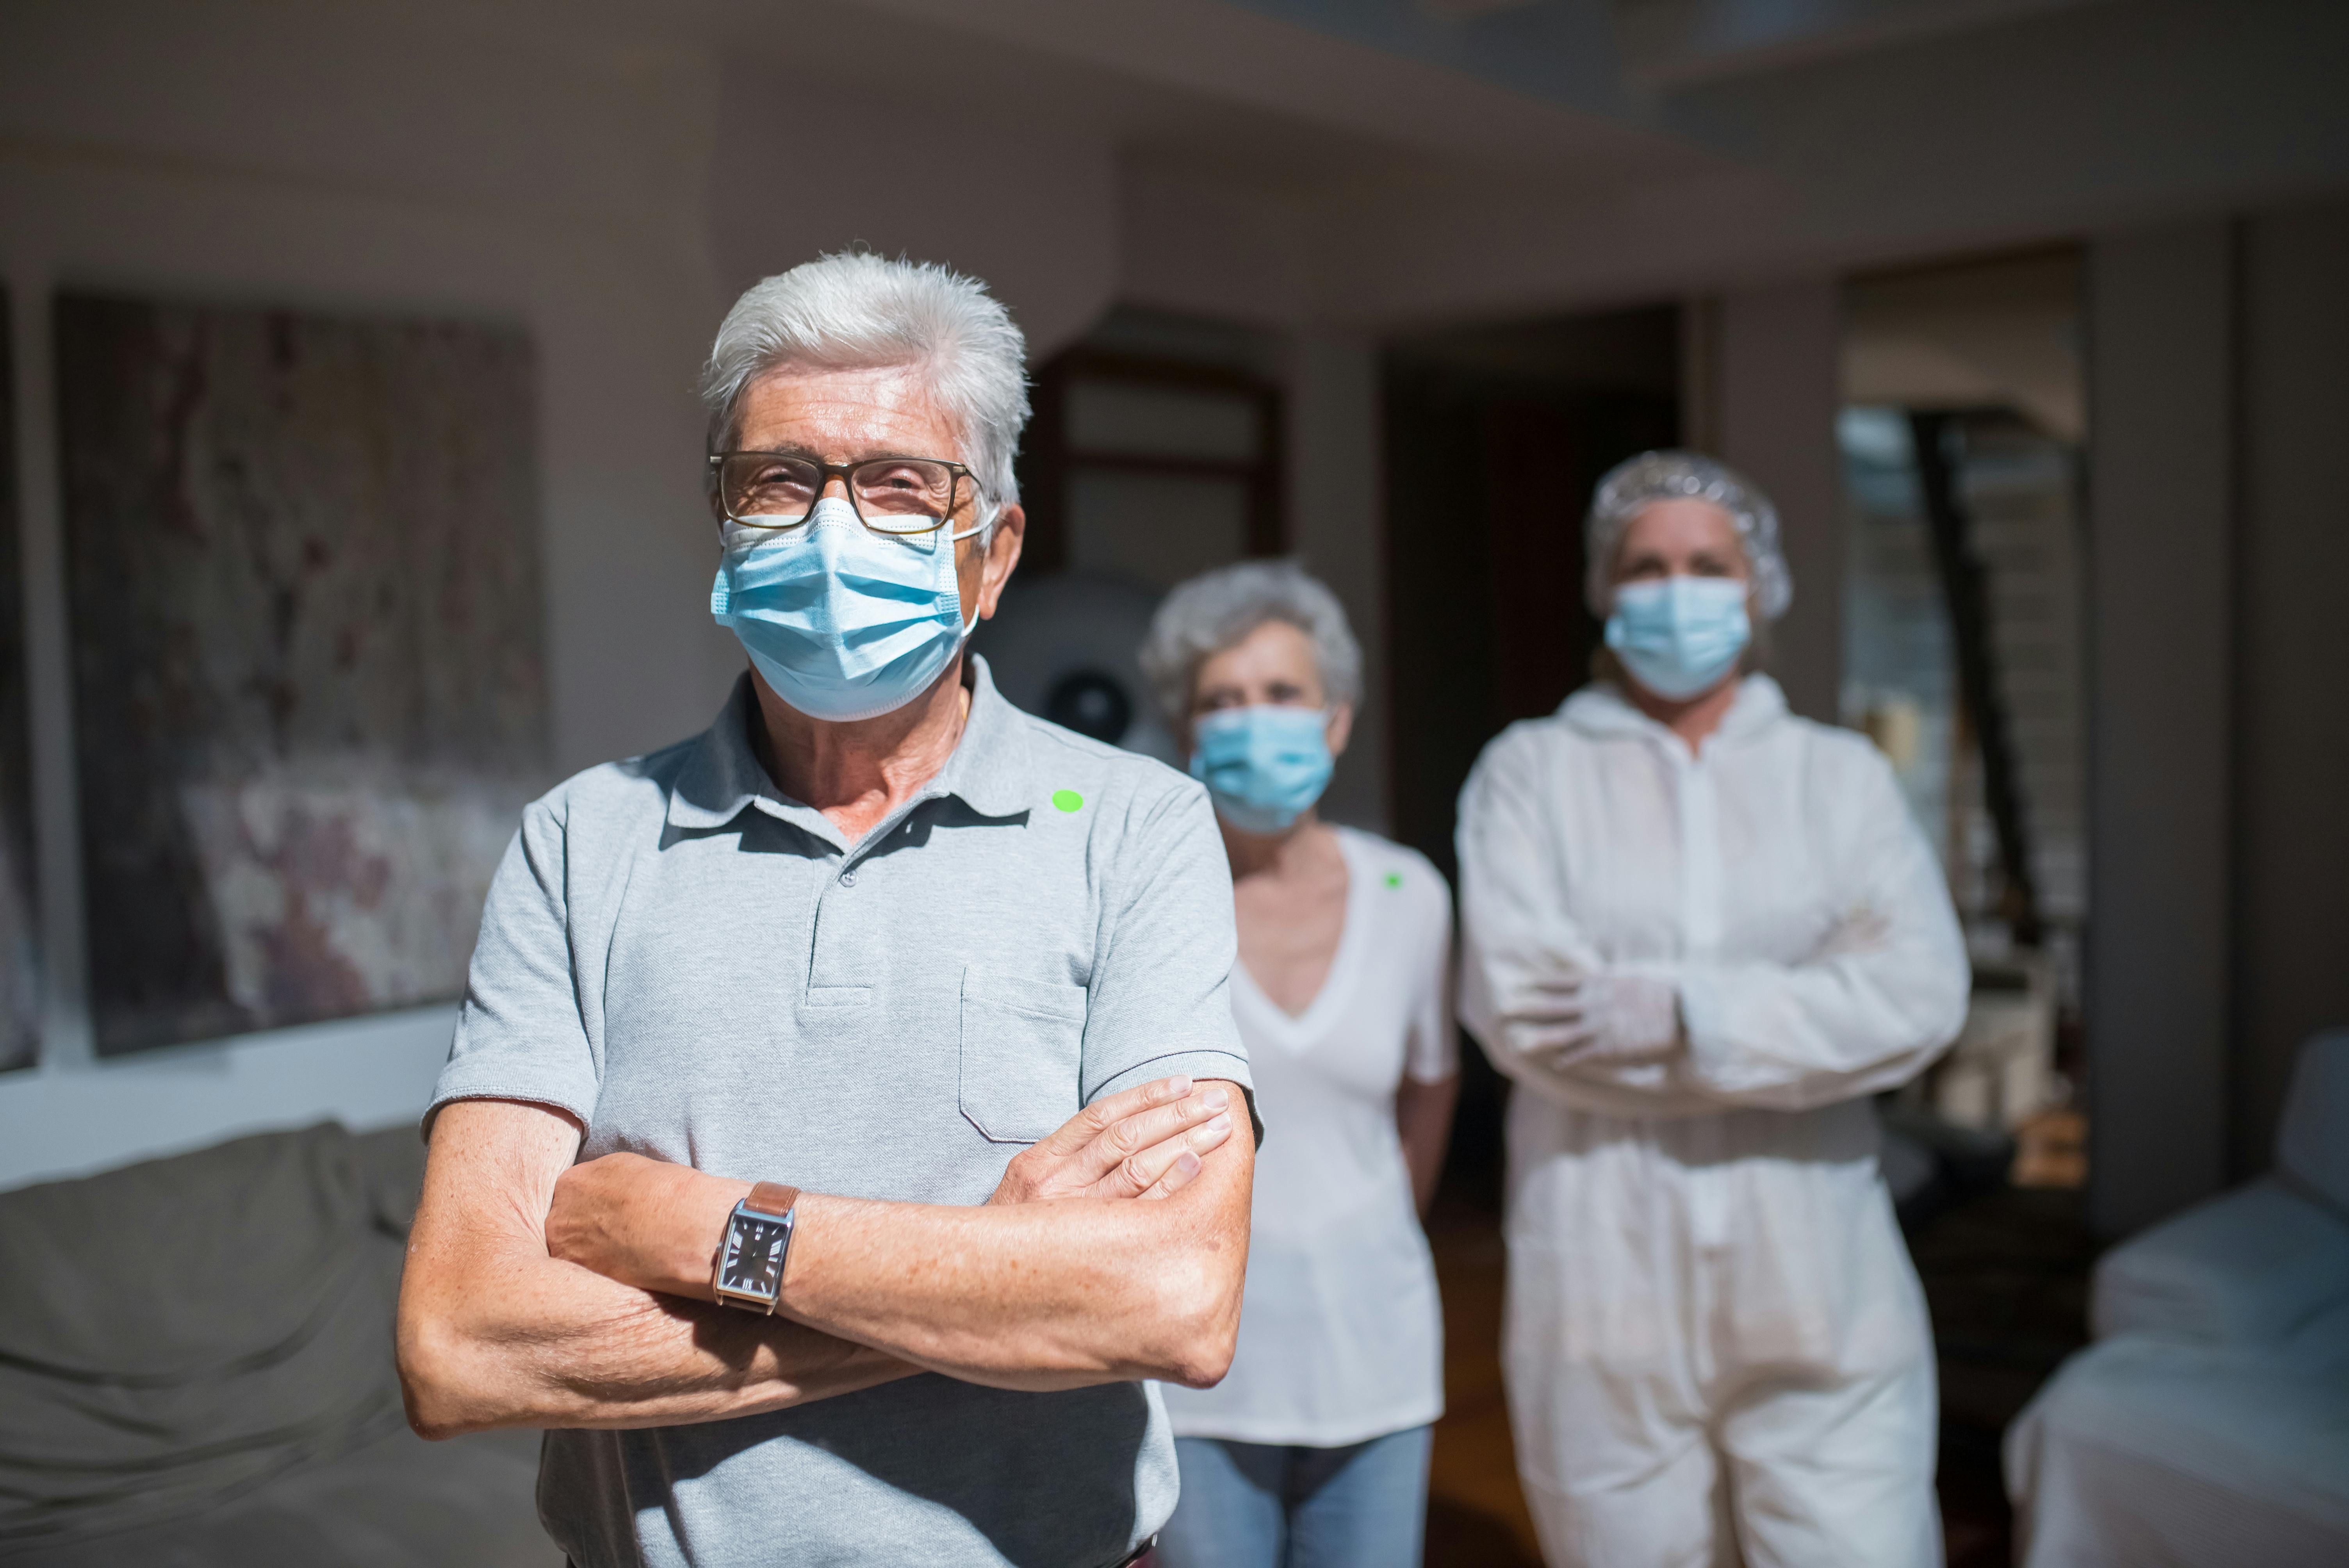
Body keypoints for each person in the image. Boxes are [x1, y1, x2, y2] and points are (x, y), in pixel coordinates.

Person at [395, 253, 1260, 1568]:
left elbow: (1174, 1300)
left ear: (997, 552)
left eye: (902, 484)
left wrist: (703, 1231)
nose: (830, 526)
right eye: (781, 479)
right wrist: (993, 1281)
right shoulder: (582, 842)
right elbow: (459, 1345)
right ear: (726, 521)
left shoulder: (1141, 827)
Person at [1454, 451, 1970, 1568]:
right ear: (1605, 587)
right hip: (1602, 1285)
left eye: (1707, 563)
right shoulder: (1529, 774)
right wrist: (1807, 1018)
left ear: (1760, 586)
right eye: (1647, 565)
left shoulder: (1840, 782)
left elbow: (1919, 997)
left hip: (1820, 1282)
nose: (1677, 589)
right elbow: (1526, 1014)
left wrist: (1688, 1015)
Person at [1139, 561, 1459, 1568]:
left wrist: (1375, 1227)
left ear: (1338, 720)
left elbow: (1431, 1084)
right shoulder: (1151, 900)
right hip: (1199, 1367)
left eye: (1283, 694)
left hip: (1380, 1352)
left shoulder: (1412, 893)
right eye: (1223, 701)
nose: (1255, 721)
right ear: (1188, 732)